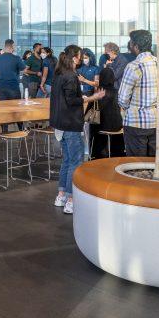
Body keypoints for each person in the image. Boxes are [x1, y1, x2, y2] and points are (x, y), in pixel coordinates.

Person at [51, 45, 100, 215]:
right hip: (70, 124)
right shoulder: (71, 76)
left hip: (59, 124)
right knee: (75, 161)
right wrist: (91, 97)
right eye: (79, 56)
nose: (81, 59)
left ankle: (61, 195)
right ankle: (71, 200)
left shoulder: (58, 73)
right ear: (74, 58)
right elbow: (72, 100)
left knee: (67, 160)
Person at [118, 30, 158, 156]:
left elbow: (122, 99)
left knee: (136, 165)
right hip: (157, 121)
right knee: (153, 163)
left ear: (135, 46)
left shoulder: (134, 66)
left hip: (136, 122)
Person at [89, 66, 124, 159]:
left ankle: (94, 153)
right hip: (117, 126)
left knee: (92, 126)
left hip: (101, 126)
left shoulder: (96, 91)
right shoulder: (117, 92)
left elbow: (89, 110)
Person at [0, 39, 25, 131]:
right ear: (12, 46)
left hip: (1, 87)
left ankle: (4, 130)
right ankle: (21, 129)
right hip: (13, 87)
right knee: (17, 109)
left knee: (3, 110)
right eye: (14, 46)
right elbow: (23, 68)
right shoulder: (16, 58)